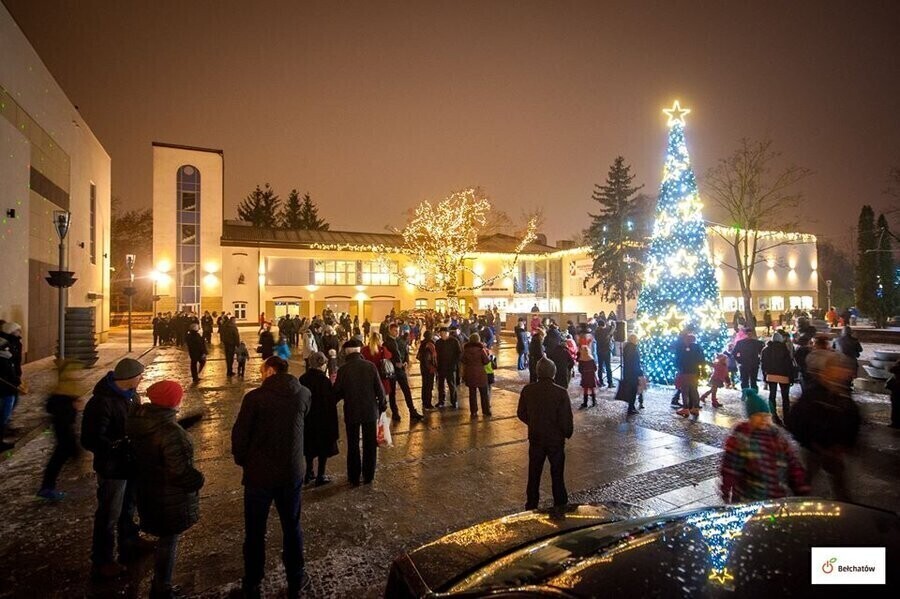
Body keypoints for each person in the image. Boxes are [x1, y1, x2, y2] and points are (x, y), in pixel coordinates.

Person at [231, 356, 311, 598]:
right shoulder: (303, 394)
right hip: (291, 471)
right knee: (292, 527)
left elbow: (240, 438)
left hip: (259, 476)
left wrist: (245, 461)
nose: (260, 373)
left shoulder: (255, 399)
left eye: (262, 369)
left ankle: (253, 581)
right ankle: (296, 579)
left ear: (271, 371)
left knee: (255, 530)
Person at [128, 380, 204, 599]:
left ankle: (161, 584)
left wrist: (183, 424)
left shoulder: (143, 422)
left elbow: (158, 440)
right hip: (167, 496)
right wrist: (198, 479)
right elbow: (179, 471)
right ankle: (162, 588)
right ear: (173, 401)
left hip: (149, 490)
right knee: (168, 541)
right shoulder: (170, 432)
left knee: (165, 539)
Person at [81, 358, 148, 580]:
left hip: (131, 464)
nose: (141, 379)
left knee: (129, 506)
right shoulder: (101, 402)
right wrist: (117, 445)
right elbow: (90, 439)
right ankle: (103, 560)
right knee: (109, 514)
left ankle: (129, 540)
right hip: (113, 468)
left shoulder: (132, 396)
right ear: (130, 378)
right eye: (140, 376)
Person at [787, 350, 860, 501]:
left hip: (834, 450)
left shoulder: (842, 393)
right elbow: (796, 420)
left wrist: (845, 444)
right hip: (813, 449)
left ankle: (844, 512)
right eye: (835, 367)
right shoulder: (813, 394)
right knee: (804, 482)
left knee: (840, 487)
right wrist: (813, 444)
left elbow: (852, 419)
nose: (841, 371)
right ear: (825, 371)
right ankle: (796, 508)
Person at [720, 388, 809, 503]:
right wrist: (726, 489)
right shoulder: (741, 439)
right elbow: (730, 468)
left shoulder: (778, 437)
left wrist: (800, 485)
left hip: (777, 499)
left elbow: (792, 463)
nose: (763, 419)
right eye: (758, 415)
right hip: (749, 500)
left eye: (767, 415)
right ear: (750, 417)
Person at [517, 357, 574, 510]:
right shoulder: (560, 393)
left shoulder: (528, 390)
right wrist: (566, 432)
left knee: (534, 473)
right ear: (553, 373)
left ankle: (531, 503)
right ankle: (560, 502)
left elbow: (521, 413)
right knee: (557, 474)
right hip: (555, 440)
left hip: (536, 437)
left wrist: (533, 423)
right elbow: (566, 417)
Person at [333, 338, 387, 485]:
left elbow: (337, 392)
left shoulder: (343, 370)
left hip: (352, 412)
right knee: (370, 445)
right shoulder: (370, 366)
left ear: (346, 352)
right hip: (370, 411)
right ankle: (369, 475)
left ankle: (354, 476)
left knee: (353, 445)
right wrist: (382, 405)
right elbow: (379, 388)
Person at [36, 359, 84, 500]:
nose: (77, 374)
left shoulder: (67, 387)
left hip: (64, 427)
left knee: (61, 455)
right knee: (60, 456)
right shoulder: (63, 391)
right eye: (74, 371)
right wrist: (73, 407)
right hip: (63, 428)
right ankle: (47, 488)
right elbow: (59, 410)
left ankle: (48, 486)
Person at [299, 352, 339, 486]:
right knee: (323, 448)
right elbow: (330, 403)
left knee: (309, 447)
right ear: (321, 364)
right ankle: (320, 475)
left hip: (308, 419)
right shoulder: (324, 381)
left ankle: (308, 472)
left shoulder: (303, 379)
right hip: (322, 420)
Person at [383, 323, 423, 421]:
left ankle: (412, 411)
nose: (397, 333)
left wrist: (406, 362)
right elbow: (385, 358)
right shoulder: (386, 343)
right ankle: (395, 412)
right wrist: (394, 363)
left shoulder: (400, 341)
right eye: (394, 331)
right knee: (392, 394)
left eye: (398, 331)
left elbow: (405, 352)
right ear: (390, 331)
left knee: (406, 390)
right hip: (392, 371)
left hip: (401, 370)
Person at [760, 332, 794, 426]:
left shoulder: (766, 350)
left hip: (771, 375)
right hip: (784, 376)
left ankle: (774, 416)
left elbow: (763, 365)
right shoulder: (784, 349)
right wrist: (791, 378)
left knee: (772, 395)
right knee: (785, 397)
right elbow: (789, 364)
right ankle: (786, 417)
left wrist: (765, 377)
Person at [461, 332, 491, 417]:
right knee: (484, 393)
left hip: (470, 374)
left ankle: (473, 411)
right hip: (481, 374)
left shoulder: (466, 350)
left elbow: (463, 360)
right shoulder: (481, 350)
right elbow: (486, 361)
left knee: (472, 394)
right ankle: (486, 411)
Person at [675, 334, 704, 419]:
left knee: (685, 390)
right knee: (694, 390)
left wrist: (679, 367)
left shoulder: (684, 348)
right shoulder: (698, 348)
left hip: (685, 371)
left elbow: (679, 359)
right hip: (695, 372)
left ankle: (686, 408)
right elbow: (702, 360)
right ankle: (695, 408)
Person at [435, 327, 461, 408]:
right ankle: (441, 401)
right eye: (441, 334)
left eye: (444, 333)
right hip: (441, 367)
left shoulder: (454, 341)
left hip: (451, 367)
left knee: (452, 385)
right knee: (441, 385)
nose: (443, 335)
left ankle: (454, 401)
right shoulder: (438, 342)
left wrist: (454, 363)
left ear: (448, 333)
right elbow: (436, 355)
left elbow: (459, 353)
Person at [617, 334, 643, 415]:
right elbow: (635, 363)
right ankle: (630, 408)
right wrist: (639, 372)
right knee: (633, 391)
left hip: (628, 372)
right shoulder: (633, 349)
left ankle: (631, 407)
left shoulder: (627, 347)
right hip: (633, 373)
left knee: (631, 390)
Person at [416, 330, 437, 410]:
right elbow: (429, 357)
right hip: (429, 368)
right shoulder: (430, 344)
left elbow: (419, 356)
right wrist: (432, 366)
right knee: (429, 385)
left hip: (423, 367)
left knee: (425, 385)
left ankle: (424, 402)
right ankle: (428, 403)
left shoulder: (423, 344)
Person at [594, 320, 614, 388]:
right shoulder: (606, 330)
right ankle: (610, 383)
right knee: (608, 367)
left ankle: (601, 382)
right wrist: (611, 323)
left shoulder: (596, 332)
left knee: (600, 367)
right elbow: (613, 327)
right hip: (607, 351)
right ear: (604, 325)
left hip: (599, 351)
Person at [887, 359, 900, 429]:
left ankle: (895, 423)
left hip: (897, 389)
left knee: (895, 407)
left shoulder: (898, 365)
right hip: (896, 389)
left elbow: (891, 369)